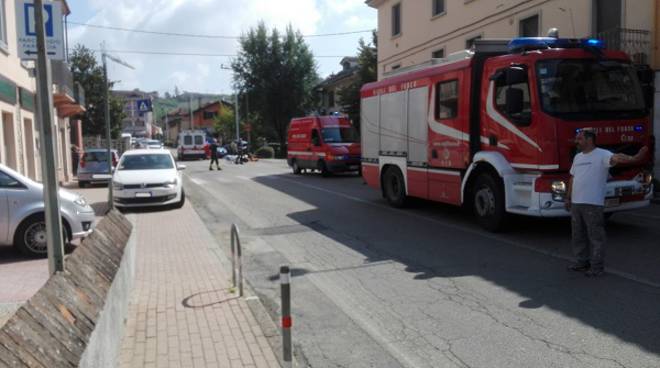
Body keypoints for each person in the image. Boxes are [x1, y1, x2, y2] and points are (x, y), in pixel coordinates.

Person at [565, 129, 648, 277]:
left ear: (589, 140)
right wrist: (568, 198)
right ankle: (581, 262)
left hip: (593, 203)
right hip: (577, 203)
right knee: (577, 235)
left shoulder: (602, 154)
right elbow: (572, 178)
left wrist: (634, 158)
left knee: (595, 236)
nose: (576, 141)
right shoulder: (578, 157)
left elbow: (617, 157)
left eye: (579, 139)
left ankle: (597, 267)